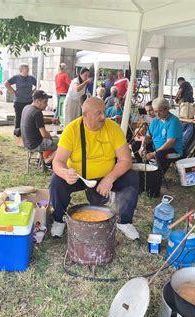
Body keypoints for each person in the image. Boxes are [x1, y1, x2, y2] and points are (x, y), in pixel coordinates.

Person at [49, 97, 140, 240]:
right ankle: (59, 219)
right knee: (56, 182)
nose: (104, 116)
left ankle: (124, 221)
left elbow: (126, 160)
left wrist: (110, 178)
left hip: (108, 176)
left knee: (132, 178)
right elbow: (58, 161)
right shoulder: (71, 130)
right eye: (98, 113)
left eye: (104, 112)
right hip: (79, 177)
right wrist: (65, 173)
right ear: (85, 115)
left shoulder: (113, 128)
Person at [139, 98, 183, 172]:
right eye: (155, 111)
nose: (157, 114)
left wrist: (153, 154)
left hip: (174, 152)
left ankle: (158, 175)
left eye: (160, 111)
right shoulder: (155, 120)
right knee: (136, 145)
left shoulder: (174, 121)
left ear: (167, 109)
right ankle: (144, 170)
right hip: (156, 149)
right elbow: (148, 136)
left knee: (159, 155)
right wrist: (142, 146)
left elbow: (170, 143)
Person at [20, 90, 59, 163]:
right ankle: (47, 161)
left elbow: (38, 120)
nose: (47, 104)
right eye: (45, 102)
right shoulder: (37, 113)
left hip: (27, 142)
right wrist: (52, 136)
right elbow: (44, 134)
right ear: (37, 101)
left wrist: (51, 119)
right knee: (62, 143)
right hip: (35, 144)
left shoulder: (27, 108)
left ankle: (40, 160)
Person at [4, 63, 37, 134]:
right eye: (26, 69)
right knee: (18, 117)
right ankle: (17, 132)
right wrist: (12, 91)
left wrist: (33, 92)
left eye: (28, 69)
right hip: (19, 101)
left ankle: (27, 132)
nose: (27, 71)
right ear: (21, 70)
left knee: (28, 117)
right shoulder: (16, 77)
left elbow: (38, 84)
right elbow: (6, 83)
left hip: (29, 100)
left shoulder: (31, 78)